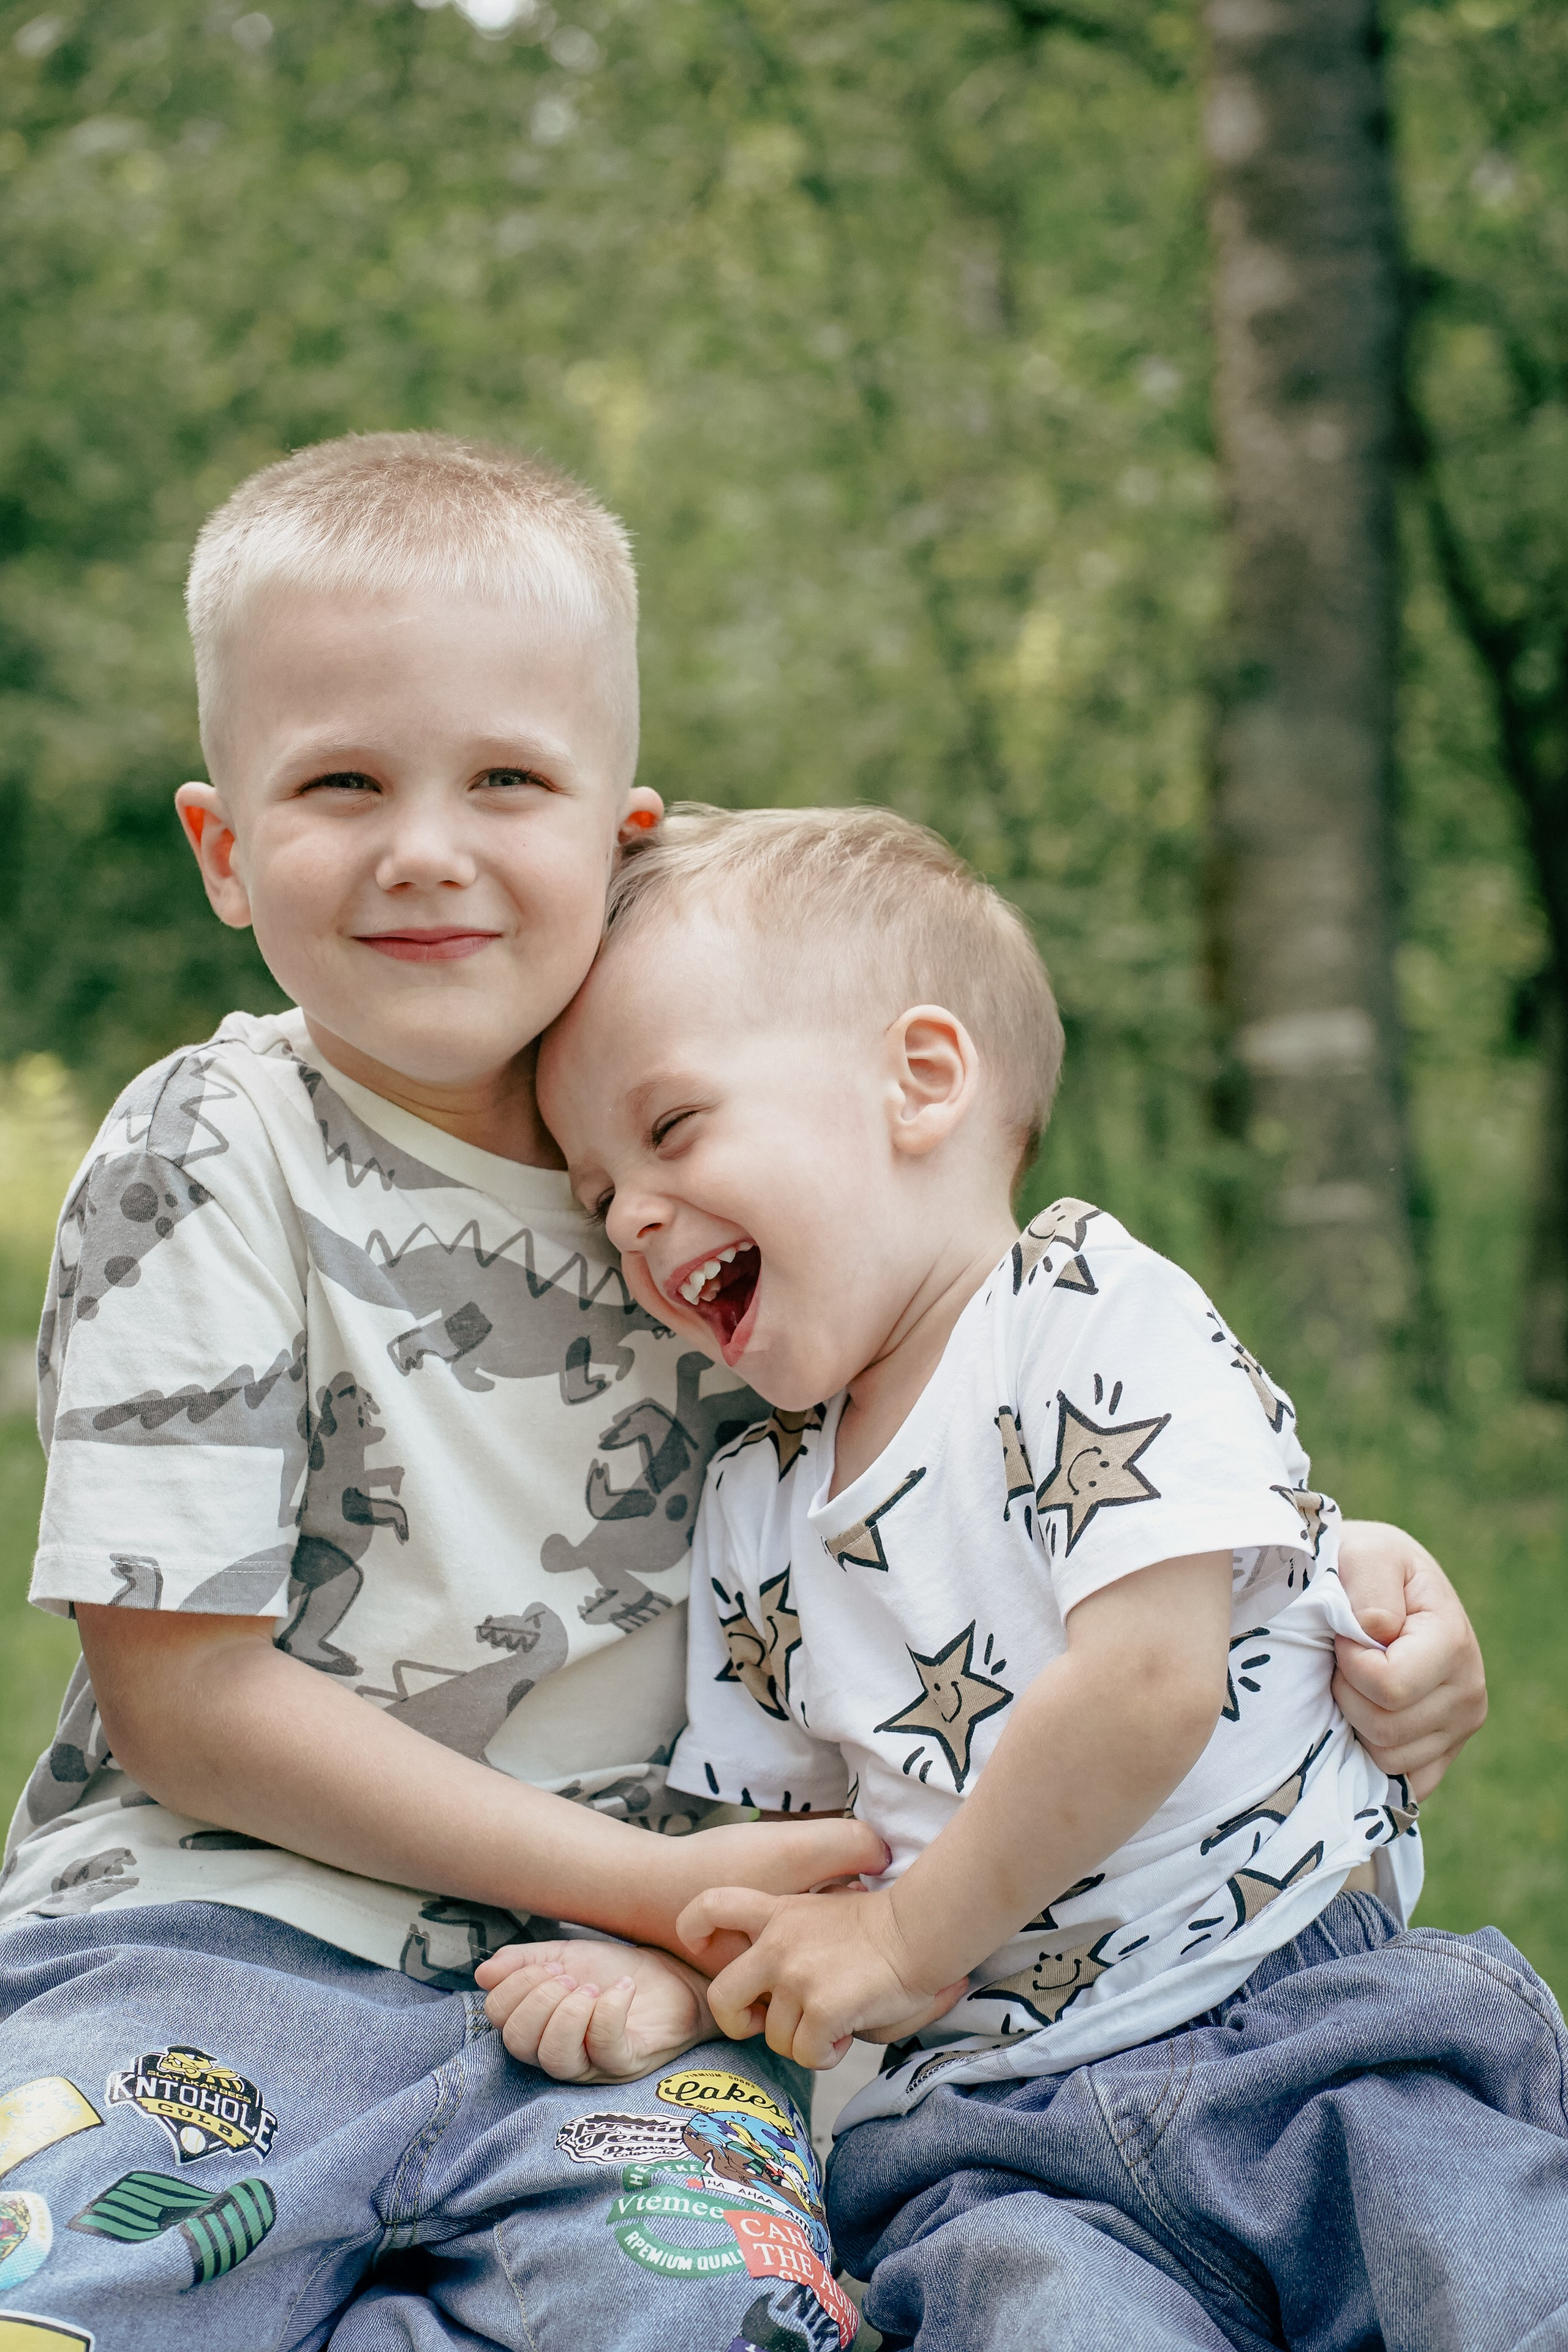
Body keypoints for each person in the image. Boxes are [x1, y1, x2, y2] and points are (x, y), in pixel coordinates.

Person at [0, 435, 894, 2352]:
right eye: (340, 783)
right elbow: (193, 1709)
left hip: (647, 2000)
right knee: (62, 2300)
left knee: (723, 2325)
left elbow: (1003, 1415)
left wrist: (1329, 1580)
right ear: (225, 851)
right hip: (218, 1937)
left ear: (620, 839)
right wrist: (652, 1882)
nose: (425, 845)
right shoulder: (212, 1151)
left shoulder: (734, 1182)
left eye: (506, 779)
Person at [518, 801, 1555, 2352]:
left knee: (1496, 2288)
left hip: (1311, 2034)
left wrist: (901, 1943)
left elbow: (1148, 1677)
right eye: (597, 1194)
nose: (634, 1219)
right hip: (989, 2146)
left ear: (918, 1080)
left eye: (668, 1131)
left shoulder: (1079, 1309)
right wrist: (699, 1980)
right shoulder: (749, 1509)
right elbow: (778, 1854)